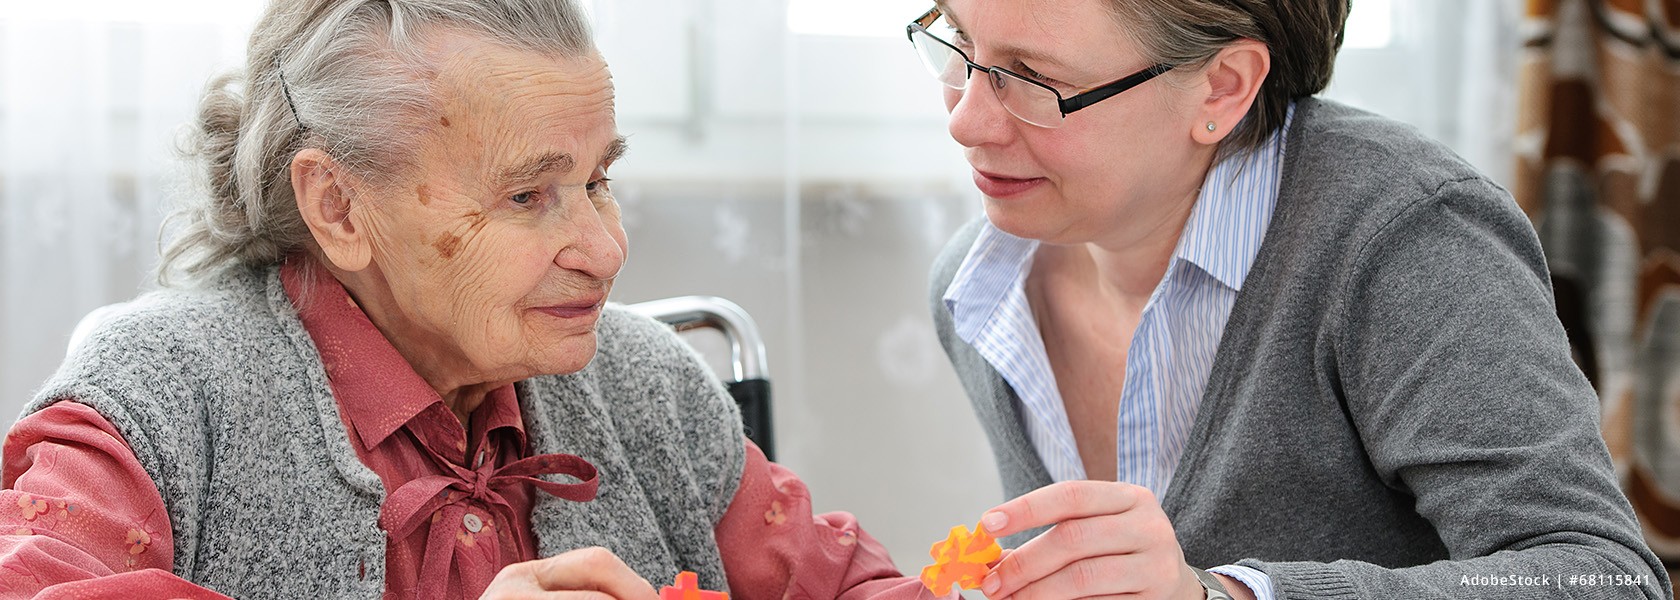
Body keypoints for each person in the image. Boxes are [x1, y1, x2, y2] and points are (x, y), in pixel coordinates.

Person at [0, 1, 938, 598]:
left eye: (599, 180)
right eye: (528, 195)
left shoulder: (645, 383)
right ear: (338, 206)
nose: (606, 249)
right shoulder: (161, 393)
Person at [913, 0, 1673, 599]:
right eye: (958, 42)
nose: (964, 120)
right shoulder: (977, 291)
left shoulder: (1404, 241)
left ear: (1223, 85)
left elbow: (1600, 577)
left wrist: (1226, 596)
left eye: (1036, 80)